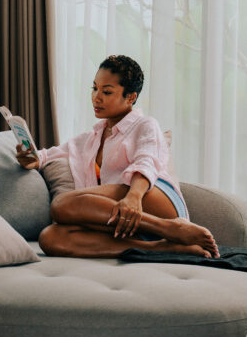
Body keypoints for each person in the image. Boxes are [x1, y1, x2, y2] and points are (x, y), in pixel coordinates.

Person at [16, 55, 219, 259]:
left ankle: (171, 228)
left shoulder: (145, 125)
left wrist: (133, 197)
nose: (97, 97)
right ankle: (162, 247)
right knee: (50, 238)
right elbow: (45, 156)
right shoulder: (90, 138)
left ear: (130, 97)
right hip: (124, 216)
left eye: (107, 92)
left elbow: (146, 160)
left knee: (61, 205)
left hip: (152, 199)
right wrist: (31, 159)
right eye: (94, 89)